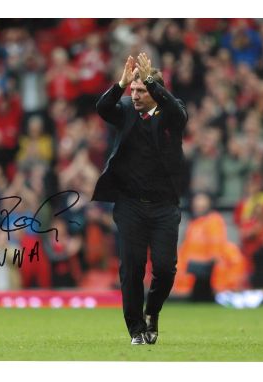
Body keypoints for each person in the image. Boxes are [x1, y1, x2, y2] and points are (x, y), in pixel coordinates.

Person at [92, 53, 187, 345]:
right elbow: (103, 107)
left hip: (164, 206)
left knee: (164, 268)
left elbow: (178, 113)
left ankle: (153, 312)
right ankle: (136, 329)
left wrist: (151, 81)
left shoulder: (171, 115)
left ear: (154, 92)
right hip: (130, 204)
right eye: (133, 90)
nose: (134, 95)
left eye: (141, 90)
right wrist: (121, 82)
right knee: (131, 268)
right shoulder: (125, 110)